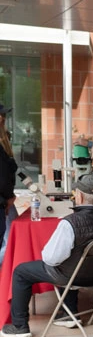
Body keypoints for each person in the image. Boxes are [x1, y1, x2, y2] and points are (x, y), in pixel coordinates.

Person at [0, 174, 93, 337]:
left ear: (78, 195)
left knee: (22, 271)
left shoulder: (70, 223)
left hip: (72, 275)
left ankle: (19, 326)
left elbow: (50, 259)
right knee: (72, 261)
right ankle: (68, 313)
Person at [0, 103, 17, 263]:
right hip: (3, 201)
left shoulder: (4, 141)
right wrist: (8, 198)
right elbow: (3, 177)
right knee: (12, 239)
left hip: (5, 201)